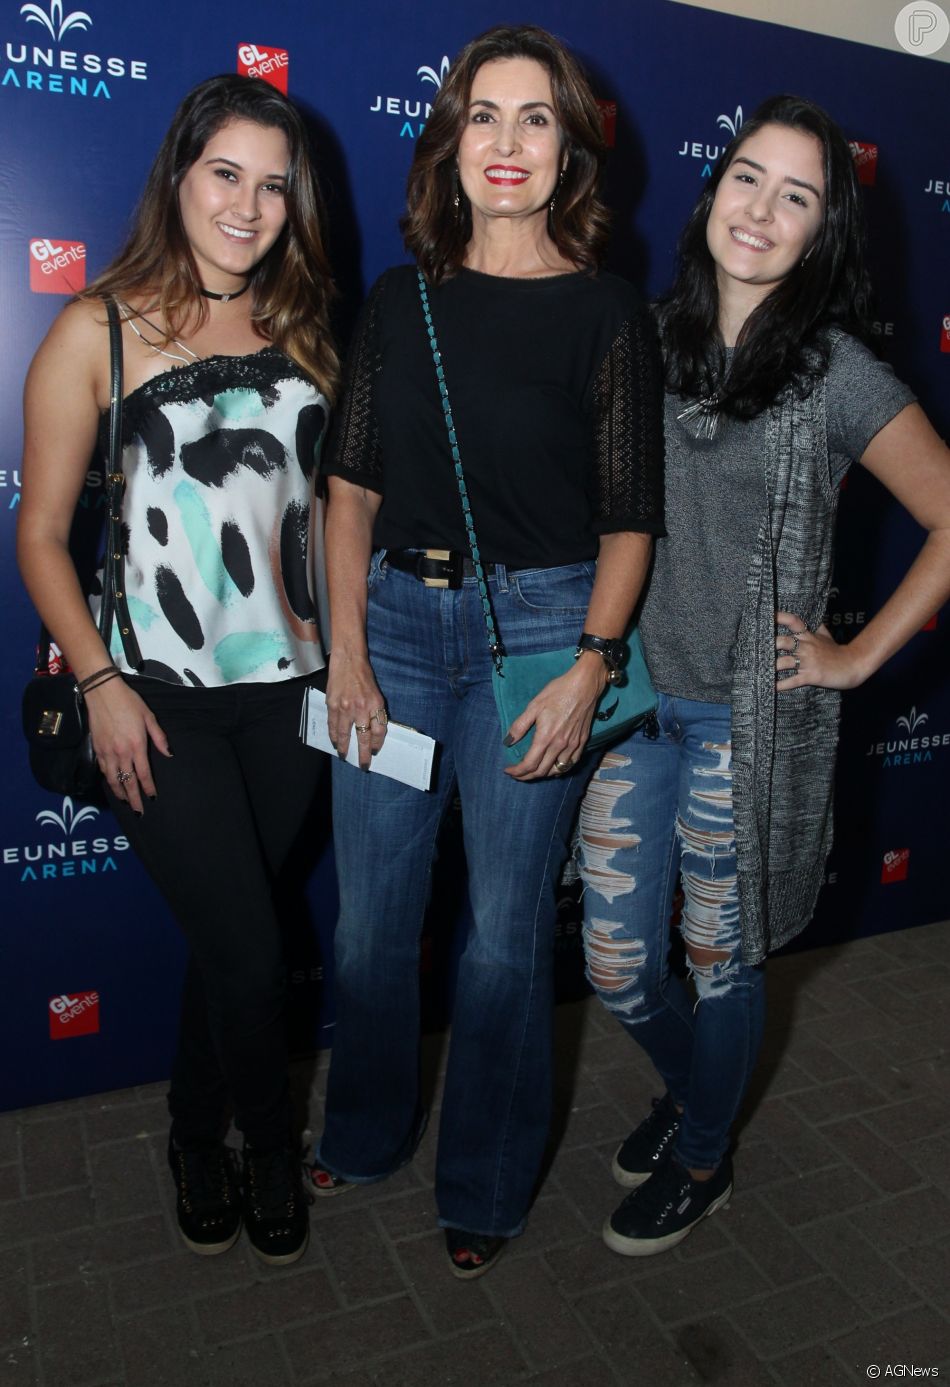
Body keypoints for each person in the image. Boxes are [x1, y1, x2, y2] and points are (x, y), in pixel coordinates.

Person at [309, 24, 664, 1278]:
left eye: (534, 118)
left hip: (541, 636)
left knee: (505, 937)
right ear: (448, 143)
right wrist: (346, 652)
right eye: (482, 115)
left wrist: (591, 664)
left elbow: (629, 518)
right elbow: (348, 492)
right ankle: (363, 1128)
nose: (506, 142)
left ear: (569, 152)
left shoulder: (607, 314)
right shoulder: (399, 301)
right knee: (370, 924)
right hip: (396, 630)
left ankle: (486, 1179)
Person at [578, 94, 950, 1257]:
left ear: (821, 231)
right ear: (711, 192)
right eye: (746, 178)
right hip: (632, 703)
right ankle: (697, 1091)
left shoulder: (836, 374)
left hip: (748, 724)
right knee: (614, 963)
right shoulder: (639, 337)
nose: (761, 210)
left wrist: (852, 655)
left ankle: (702, 1156)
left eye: (796, 196)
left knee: (718, 961)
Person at [17, 75, 339, 1267]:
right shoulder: (94, 329)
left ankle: (193, 1130)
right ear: (178, 175)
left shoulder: (308, 329)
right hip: (155, 700)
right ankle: (261, 1144)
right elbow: (40, 535)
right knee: (252, 950)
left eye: (273, 185)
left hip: (294, 695)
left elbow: (329, 520)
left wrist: (349, 664)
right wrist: (101, 682)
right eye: (225, 174)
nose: (247, 206)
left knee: (231, 937)